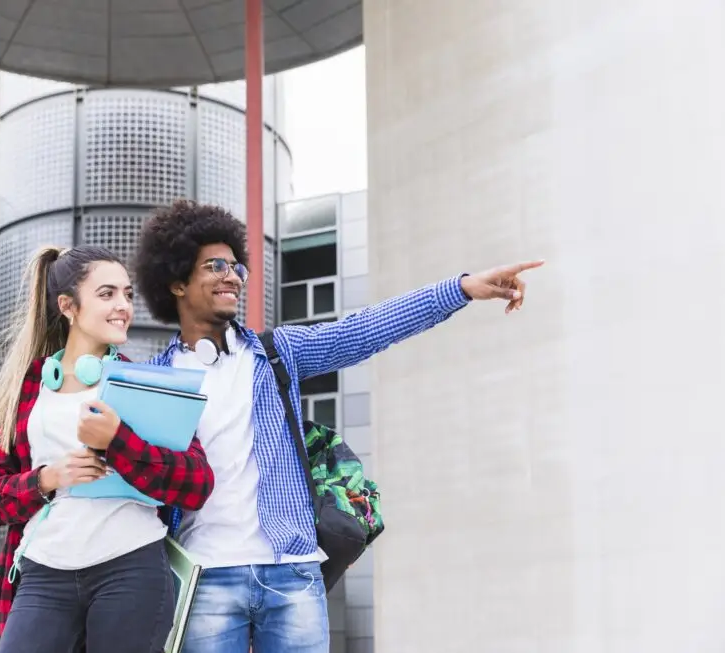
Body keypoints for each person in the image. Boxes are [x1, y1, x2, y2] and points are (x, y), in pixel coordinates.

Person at [132, 199, 543, 653]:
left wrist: (461, 289)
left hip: (292, 572)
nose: (231, 275)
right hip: (205, 577)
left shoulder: (276, 354)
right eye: (215, 265)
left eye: (236, 267)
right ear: (174, 281)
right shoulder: (155, 382)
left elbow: (364, 330)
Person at [0, 244, 215, 653]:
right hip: (44, 572)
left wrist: (118, 441)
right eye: (107, 294)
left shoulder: (145, 383)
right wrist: (49, 477)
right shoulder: (24, 388)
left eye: (127, 294)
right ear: (68, 306)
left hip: (131, 567)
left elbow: (197, 484)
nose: (123, 305)